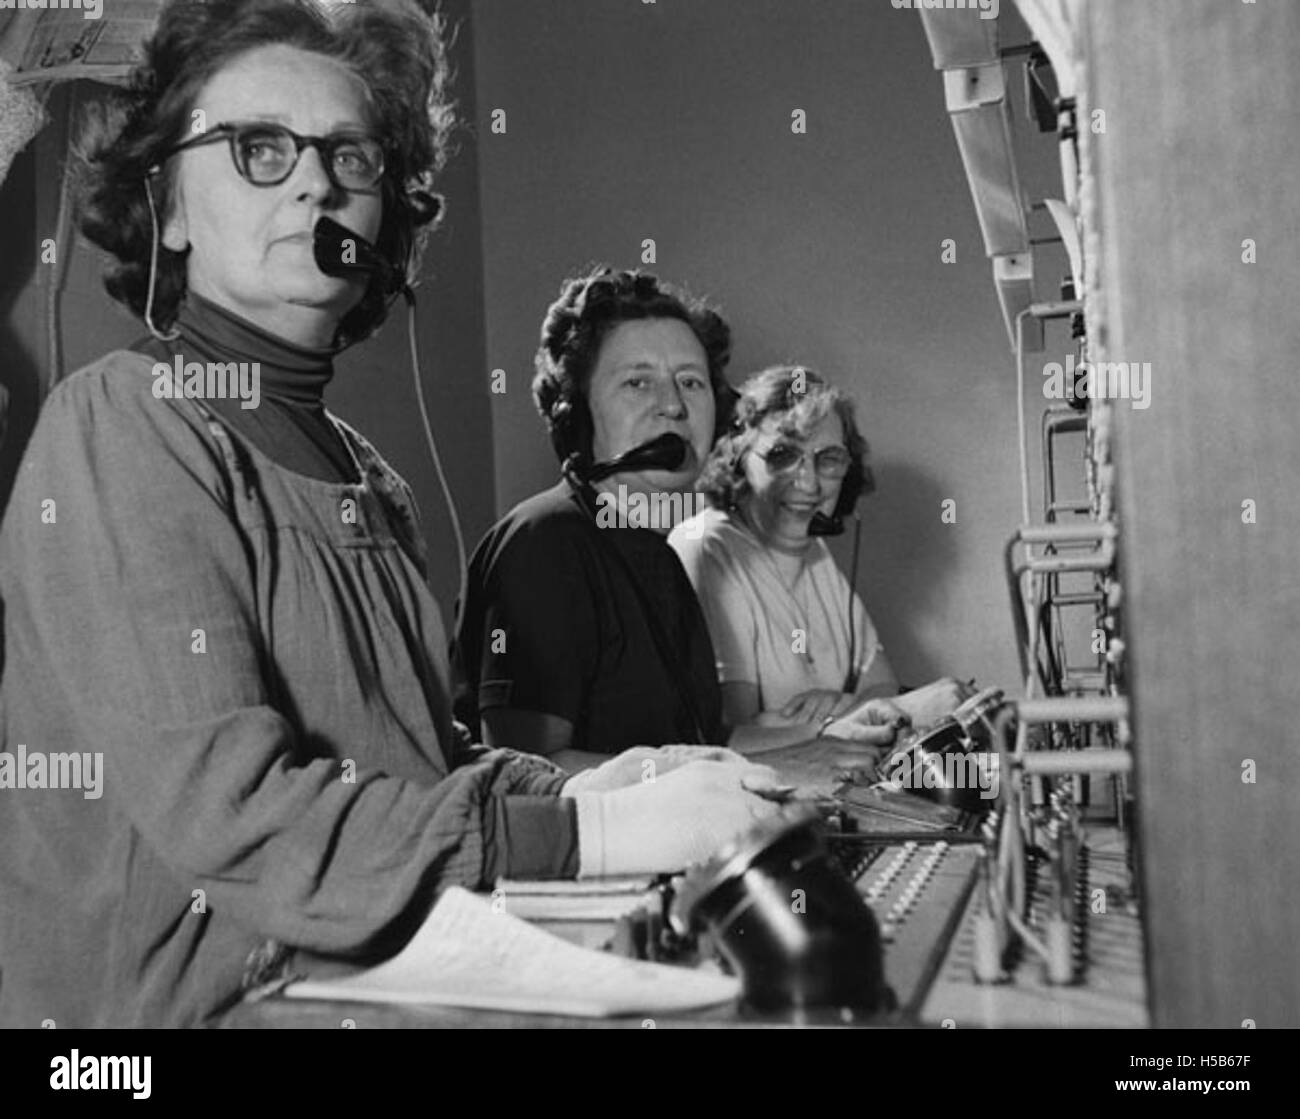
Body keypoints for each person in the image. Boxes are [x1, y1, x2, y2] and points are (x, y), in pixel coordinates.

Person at [0, 0, 782, 1029]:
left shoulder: (367, 476)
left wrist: (583, 792)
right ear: (170, 208)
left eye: (350, 156)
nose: (317, 180)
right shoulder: (120, 426)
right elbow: (241, 821)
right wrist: (598, 838)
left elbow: (423, 765)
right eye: (259, 148)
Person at [454, 273, 906, 775]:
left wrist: (833, 738)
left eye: (690, 382)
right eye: (637, 381)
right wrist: (771, 773)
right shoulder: (544, 544)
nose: (673, 405)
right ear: (575, 414)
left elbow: (699, 743)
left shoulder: (659, 557)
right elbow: (528, 773)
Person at [669, 365, 974, 735]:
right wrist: (870, 713)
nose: (809, 483)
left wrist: (849, 706)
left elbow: (882, 686)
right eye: (782, 456)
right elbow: (735, 733)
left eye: (828, 460)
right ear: (738, 460)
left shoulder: (814, 554)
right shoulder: (707, 548)